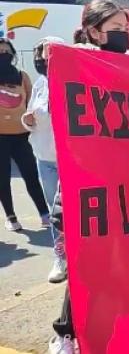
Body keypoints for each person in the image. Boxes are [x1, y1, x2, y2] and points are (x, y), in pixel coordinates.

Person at [49, 0, 129, 354]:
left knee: (115, 264)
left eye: (126, 29)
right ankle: (66, 334)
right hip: (84, 184)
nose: (123, 36)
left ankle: (109, 327)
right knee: (89, 268)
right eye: (115, 30)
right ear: (94, 31)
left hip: (121, 185)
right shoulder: (74, 65)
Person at [22, 36, 67, 283]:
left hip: (71, 161)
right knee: (56, 214)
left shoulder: (74, 80)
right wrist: (26, 121)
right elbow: (31, 116)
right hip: (46, 159)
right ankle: (61, 258)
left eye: (48, 53)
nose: (42, 58)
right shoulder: (40, 84)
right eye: (39, 54)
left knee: (79, 213)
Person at [0, 38, 50, 232]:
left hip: (21, 136)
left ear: (12, 55)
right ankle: (11, 218)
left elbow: (31, 104)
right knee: (3, 179)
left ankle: (44, 214)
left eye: (6, 51)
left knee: (31, 175)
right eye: (0, 51)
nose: (3, 54)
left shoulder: (22, 76)